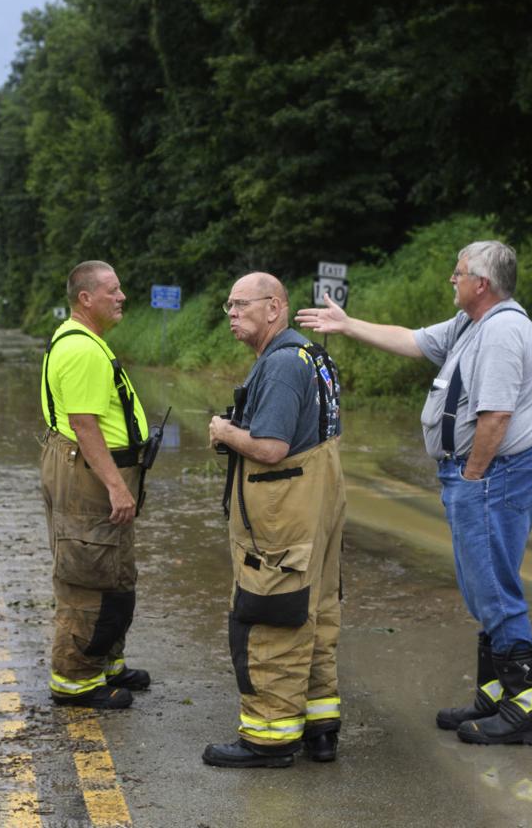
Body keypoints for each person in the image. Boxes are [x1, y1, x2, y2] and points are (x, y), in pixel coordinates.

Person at [295, 240, 532, 746]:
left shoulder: (502, 331)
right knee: (482, 587)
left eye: (458, 274)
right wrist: (348, 325)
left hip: (493, 474)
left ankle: (526, 710)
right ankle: (495, 695)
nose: (451, 281)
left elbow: (496, 416)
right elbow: (412, 340)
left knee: (495, 587)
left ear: (482, 283)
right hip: (482, 474)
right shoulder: (470, 325)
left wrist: (473, 477)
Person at [203, 272, 347, 768]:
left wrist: (225, 431)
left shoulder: (283, 366)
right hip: (318, 507)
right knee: (316, 611)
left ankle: (268, 739)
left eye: (242, 303)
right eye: (229, 305)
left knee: (272, 612)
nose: (233, 313)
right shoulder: (312, 356)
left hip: (284, 515)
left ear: (276, 307)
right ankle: (319, 726)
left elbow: (270, 447)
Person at [39, 260, 152, 709]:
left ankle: (106, 662)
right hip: (91, 475)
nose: (122, 297)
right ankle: (75, 681)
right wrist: (116, 486)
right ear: (86, 299)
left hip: (97, 472)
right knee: (87, 572)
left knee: (114, 571)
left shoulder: (83, 340)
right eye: (113, 290)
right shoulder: (83, 350)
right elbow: (84, 425)